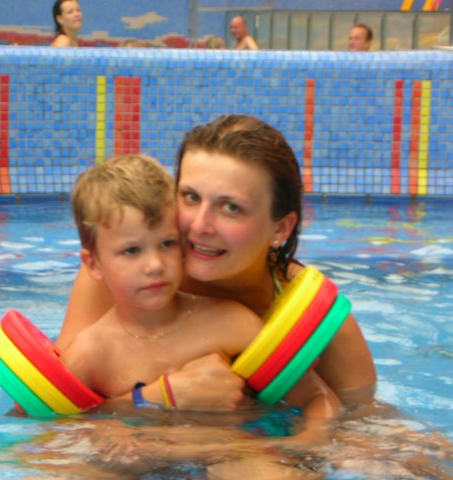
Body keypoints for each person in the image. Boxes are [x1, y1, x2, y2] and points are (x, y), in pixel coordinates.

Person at [57, 115, 376, 415]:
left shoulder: (315, 321)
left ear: (280, 229)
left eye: (231, 207)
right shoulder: (123, 276)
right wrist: (157, 396)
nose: (200, 225)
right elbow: (65, 409)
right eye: (191, 197)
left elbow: (358, 422)